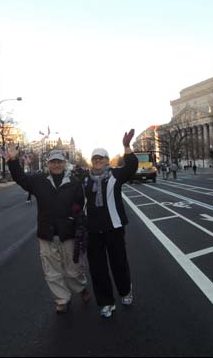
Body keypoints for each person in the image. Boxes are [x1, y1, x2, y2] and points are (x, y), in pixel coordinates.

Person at [7, 147, 91, 314]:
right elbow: (20, 178)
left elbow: (81, 203)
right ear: (48, 164)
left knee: (73, 270)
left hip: (68, 233)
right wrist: (13, 161)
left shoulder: (74, 182)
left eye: (59, 161)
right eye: (53, 162)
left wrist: (76, 213)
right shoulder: (39, 181)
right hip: (47, 233)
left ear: (64, 163)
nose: (56, 165)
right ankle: (62, 300)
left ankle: (81, 288)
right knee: (51, 271)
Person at [83, 129, 138, 318]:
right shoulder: (84, 180)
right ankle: (106, 302)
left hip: (114, 227)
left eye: (101, 158)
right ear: (92, 161)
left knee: (118, 263)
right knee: (97, 269)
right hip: (93, 231)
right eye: (95, 159)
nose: (98, 161)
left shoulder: (115, 175)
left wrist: (126, 147)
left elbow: (131, 167)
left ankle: (125, 291)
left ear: (107, 160)